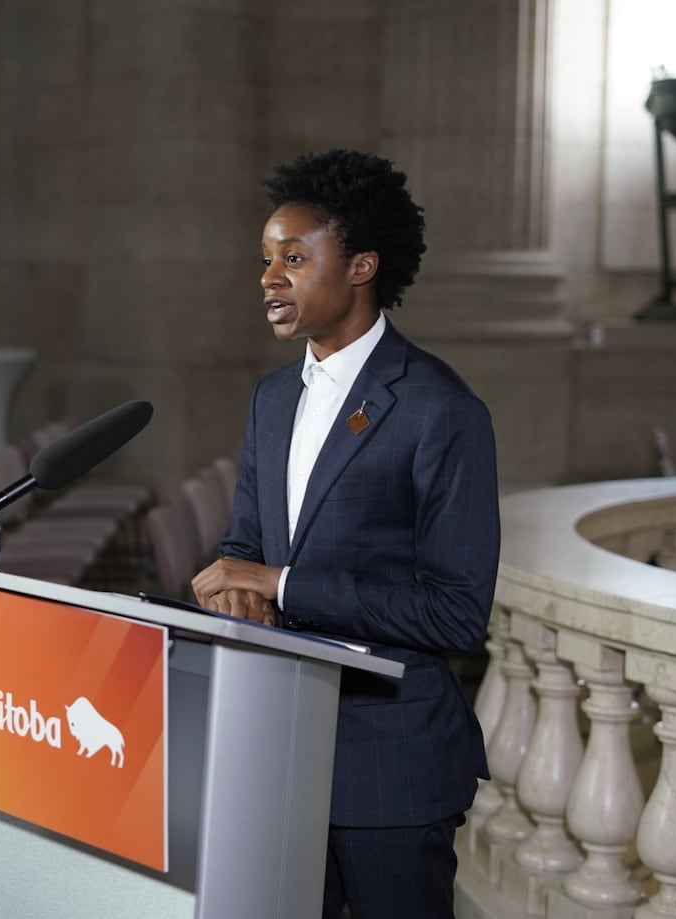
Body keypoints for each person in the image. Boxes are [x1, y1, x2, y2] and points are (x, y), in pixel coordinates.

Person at [191, 149, 500, 919]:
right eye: (267, 259)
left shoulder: (440, 409)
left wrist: (282, 585)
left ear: (362, 265)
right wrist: (238, 587)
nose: (270, 278)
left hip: (390, 768)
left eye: (294, 258)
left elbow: (457, 612)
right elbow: (247, 547)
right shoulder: (271, 399)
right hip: (277, 752)